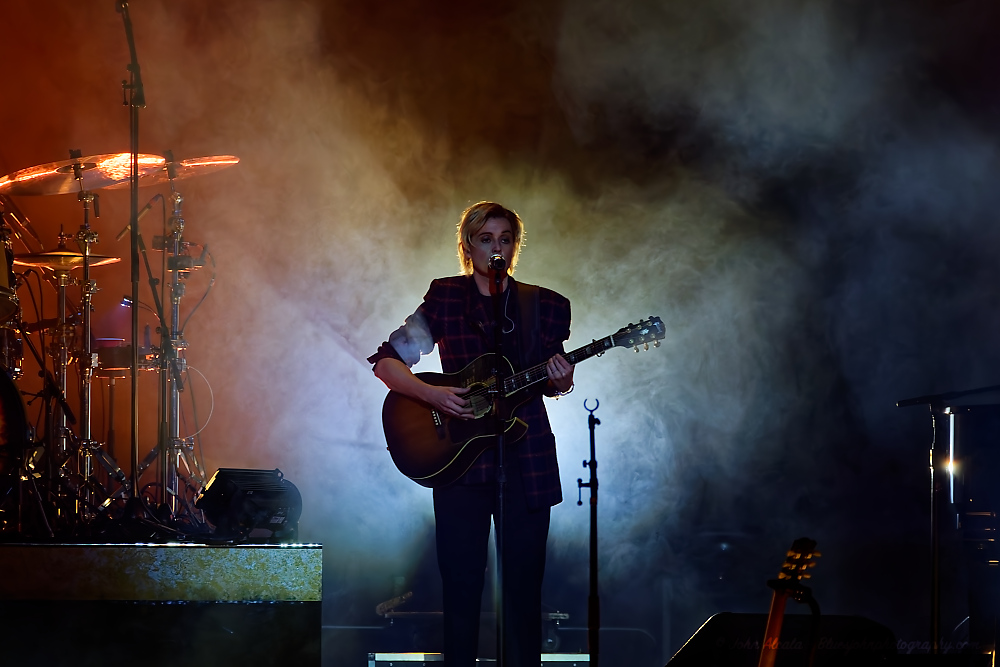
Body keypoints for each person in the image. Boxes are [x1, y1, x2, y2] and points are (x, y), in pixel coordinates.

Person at [368, 201, 574, 667]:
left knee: (524, 590)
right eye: (486, 239)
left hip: (527, 457)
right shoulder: (445, 297)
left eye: (505, 239)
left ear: (514, 247)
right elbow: (386, 361)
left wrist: (561, 380)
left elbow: (552, 379)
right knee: (461, 586)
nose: (496, 247)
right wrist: (431, 396)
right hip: (458, 457)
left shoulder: (542, 304)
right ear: (468, 247)